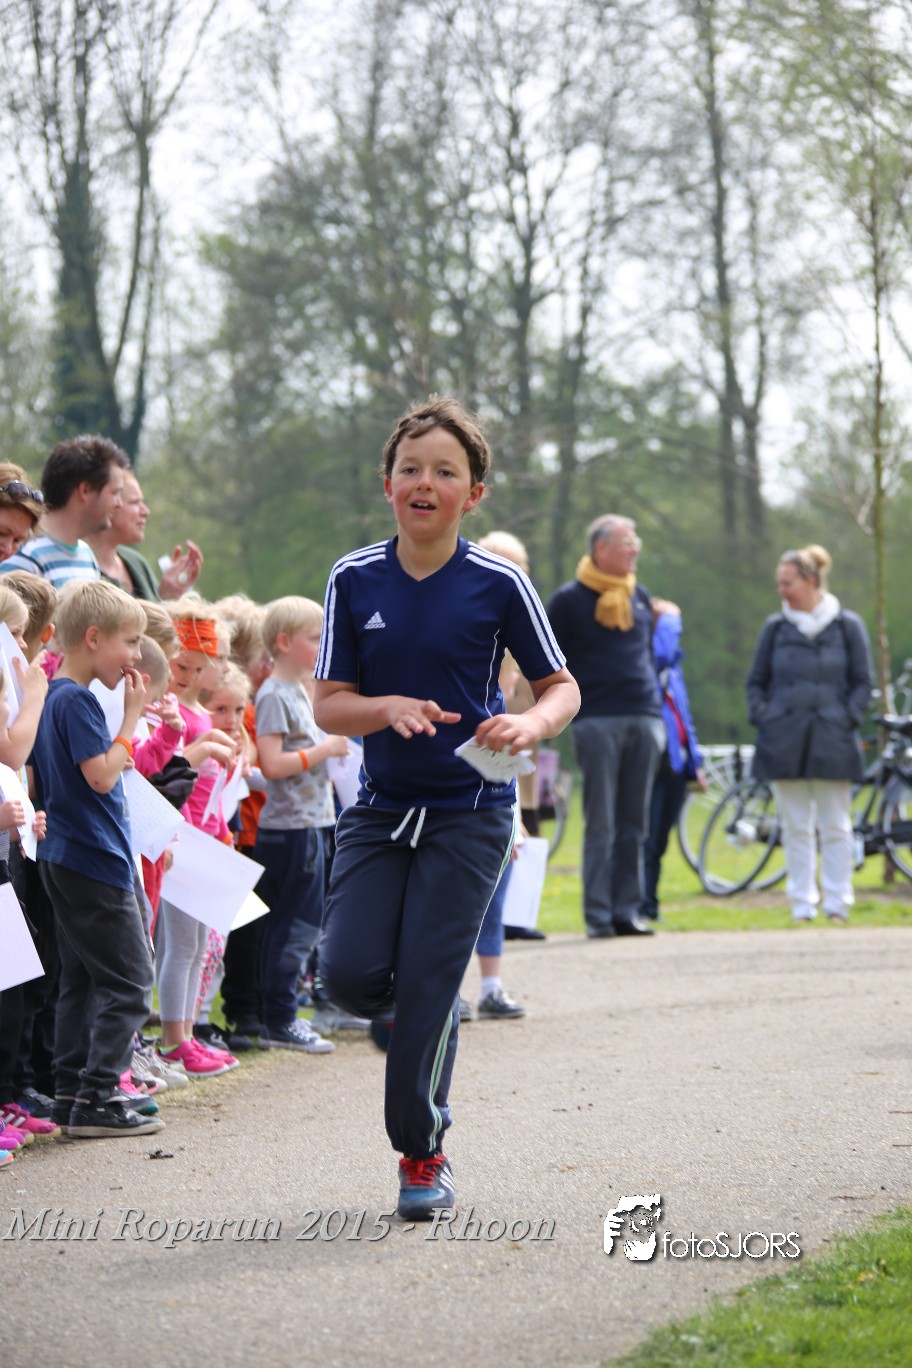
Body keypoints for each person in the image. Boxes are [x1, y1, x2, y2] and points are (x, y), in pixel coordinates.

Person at [313, 395, 579, 1220]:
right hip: (382, 809)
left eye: (445, 472)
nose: (424, 483)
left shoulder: (499, 582)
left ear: (474, 494)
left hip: (472, 808)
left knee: (431, 984)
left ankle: (422, 1153)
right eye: (410, 469)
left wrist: (531, 724)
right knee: (347, 975)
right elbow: (328, 705)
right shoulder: (354, 577)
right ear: (387, 484)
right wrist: (384, 707)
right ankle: (414, 1010)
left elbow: (561, 686)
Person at [30, 580, 164, 1137]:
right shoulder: (78, 700)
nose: (136, 655)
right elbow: (102, 776)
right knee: (131, 980)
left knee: (84, 979)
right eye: (129, 642)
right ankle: (98, 1096)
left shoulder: (53, 695)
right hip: (93, 858)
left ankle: (70, 1092)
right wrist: (131, 721)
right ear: (92, 638)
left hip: (65, 855)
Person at [546, 515, 668, 938]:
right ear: (600, 549)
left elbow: (648, 654)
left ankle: (626, 912)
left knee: (636, 821)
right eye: (626, 542)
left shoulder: (640, 596)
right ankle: (598, 916)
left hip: (645, 716)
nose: (635, 550)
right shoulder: (569, 600)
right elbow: (548, 659)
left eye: (636, 542)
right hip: (597, 720)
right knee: (601, 821)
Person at [746, 544, 873, 923]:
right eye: (779, 584)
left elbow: (862, 682)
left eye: (788, 583)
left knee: (835, 825)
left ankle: (838, 903)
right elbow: (756, 682)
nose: (782, 591)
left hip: (832, 738)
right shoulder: (775, 628)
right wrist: (766, 717)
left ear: (812, 581)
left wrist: (846, 717)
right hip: (784, 739)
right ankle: (802, 904)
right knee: (795, 826)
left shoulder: (847, 626)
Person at [253, 595, 346, 1054]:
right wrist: (324, 750)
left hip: (314, 822)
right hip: (291, 830)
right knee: (294, 927)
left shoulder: (303, 690)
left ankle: (281, 1014)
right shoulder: (273, 694)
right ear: (284, 642)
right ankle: (279, 1018)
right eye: (315, 638)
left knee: (307, 925)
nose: (324, 645)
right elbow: (272, 764)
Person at [641, 609, 705, 921]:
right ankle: (640, 904)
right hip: (653, 764)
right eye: (671, 627)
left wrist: (696, 765)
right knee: (648, 836)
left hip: (676, 765)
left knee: (661, 840)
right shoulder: (648, 667)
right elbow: (662, 653)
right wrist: (665, 619)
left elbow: (684, 721)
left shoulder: (675, 674)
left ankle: (650, 903)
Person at [0, 435, 128, 588]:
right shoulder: (26, 556)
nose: (119, 504)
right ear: (85, 490)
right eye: (115, 493)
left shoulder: (87, 555)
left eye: (17, 540)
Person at [86, 470, 204, 601]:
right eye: (134, 502)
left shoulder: (137, 563)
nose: (145, 511)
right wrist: (164, 599)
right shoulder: (82, 569)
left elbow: (156, 611)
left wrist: (169, 595)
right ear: (110, 503)